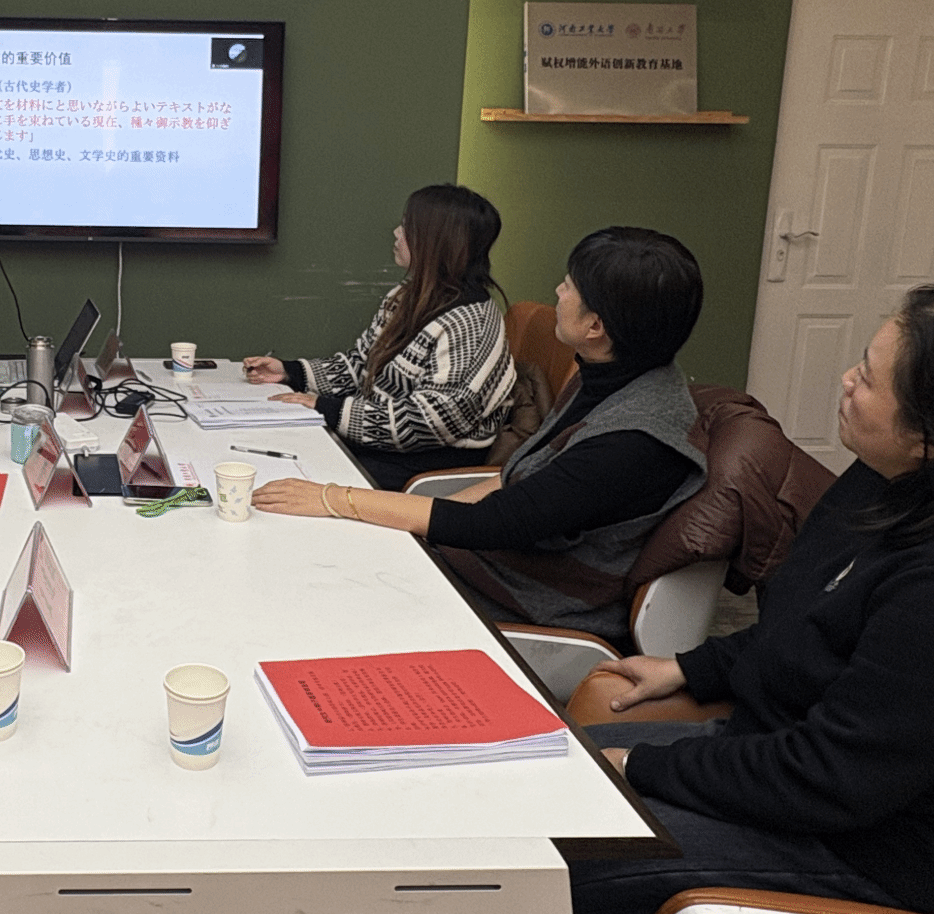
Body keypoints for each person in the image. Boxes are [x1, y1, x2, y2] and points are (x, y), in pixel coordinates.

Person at [249, 285, 934, 914]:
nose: (847, 381)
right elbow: (809, 634)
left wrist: (643, 769)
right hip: (800, 770)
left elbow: (831, 780)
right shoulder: (895, 491)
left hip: (885, 853)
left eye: (870, 375)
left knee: (548, 851)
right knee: (508, 776)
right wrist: (691, 668)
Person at [254, 226, 707, 647]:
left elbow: (495, 523)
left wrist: (335, 498)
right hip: (498, 561)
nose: (558, 291)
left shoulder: (632, 440)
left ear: (595, 327)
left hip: (530, 599)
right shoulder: (617, 376)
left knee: (313, 576)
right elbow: (513, 482)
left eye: (569, 286)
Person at [242, 184, 519, 490]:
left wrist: (327, 408)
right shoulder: (404, 297)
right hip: (379, 448)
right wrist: (290, 371)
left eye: (408, 227)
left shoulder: (471, 322)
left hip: (425, 465)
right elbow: (361, 364)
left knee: (286, 480)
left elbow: (430, 421)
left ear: (436, 241)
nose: (396, 233)